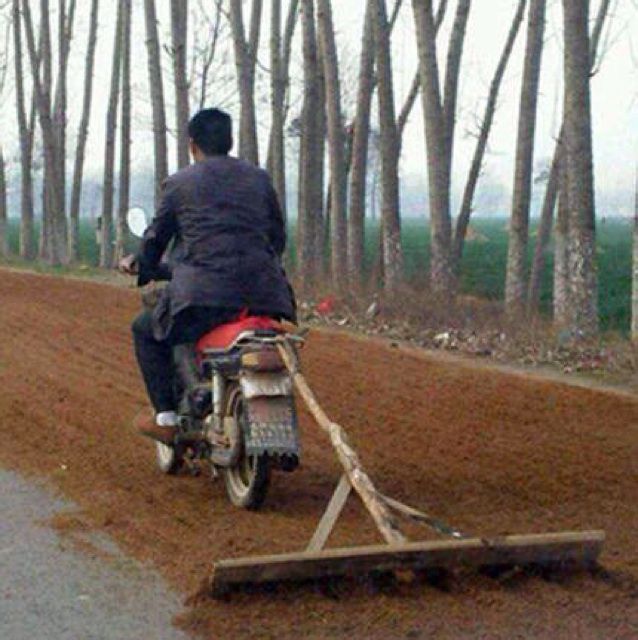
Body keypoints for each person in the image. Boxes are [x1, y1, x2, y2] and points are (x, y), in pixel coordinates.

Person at [119, 108, 296, 444]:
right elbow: (277, 238)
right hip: (266, 295)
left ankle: (167, 418)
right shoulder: (260, 180)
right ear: (229, 140)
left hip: (204, 297)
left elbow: (156, 239)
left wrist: (141, 263)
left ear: (192, 145)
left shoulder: (180, 184)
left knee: (146, 329)